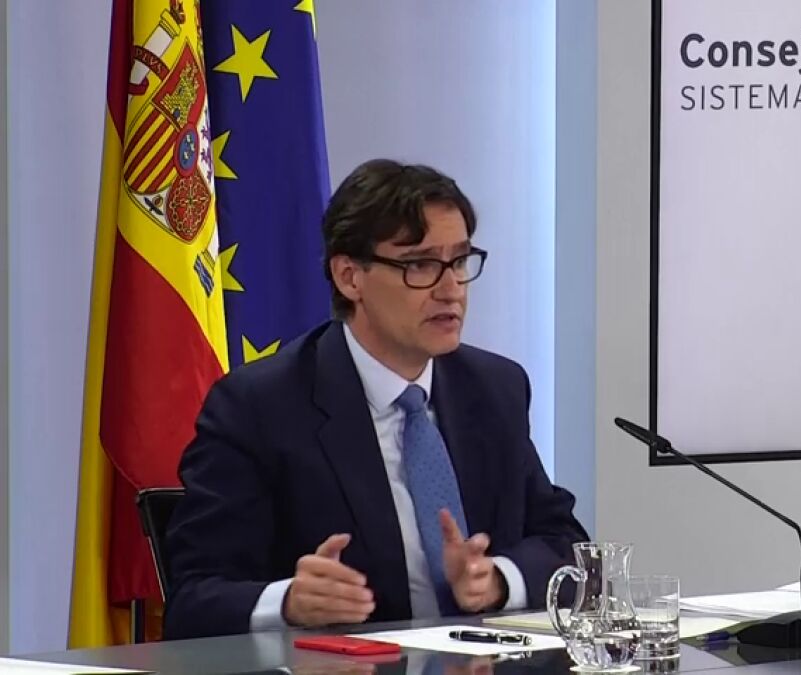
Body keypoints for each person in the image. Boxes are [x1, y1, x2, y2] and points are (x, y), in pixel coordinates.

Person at [163, 160, 589, 639]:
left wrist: (497, 579)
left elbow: (566, 546)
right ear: (350, 277)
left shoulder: (494, 389)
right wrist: (289, 601)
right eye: (420, 265)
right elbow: (193, 596)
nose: (451, 290)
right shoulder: (260, 407)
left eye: (459, 262)